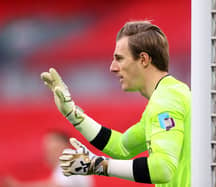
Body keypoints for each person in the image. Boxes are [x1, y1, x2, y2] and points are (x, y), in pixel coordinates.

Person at [40, 21, 192, 187]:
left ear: (143, 59)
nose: (112, 67)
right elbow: (121, 147)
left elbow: (162, 169)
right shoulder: (165, 96)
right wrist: (73, 114)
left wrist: (97, 165)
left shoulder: (167, 98)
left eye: (119, 58)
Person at [1, 130, 94, 187]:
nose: (47, 153)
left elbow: (54, 186)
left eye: (51, 149)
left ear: (64, 146)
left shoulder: (74, 159)